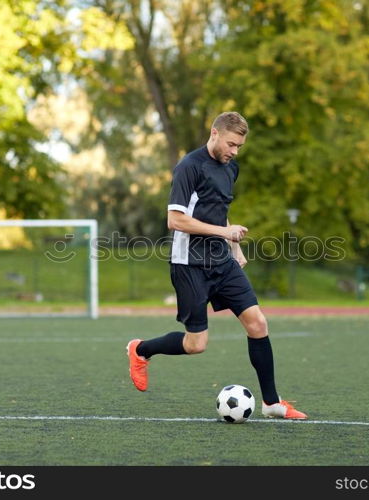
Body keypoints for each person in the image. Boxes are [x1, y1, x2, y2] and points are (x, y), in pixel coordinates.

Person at [126, 111, 306, 419]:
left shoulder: (230, 167)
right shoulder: (188, 167)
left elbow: (219, 211)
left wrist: (233, 246)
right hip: (190, 264)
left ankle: (272, 403)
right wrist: (225, 233)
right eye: (231, 144)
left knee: (258, 324)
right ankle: (141, 350)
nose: (235, 152)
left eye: (239, 146)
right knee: (196, 344)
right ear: (214, 133)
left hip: (222, 260)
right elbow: (175, 219)